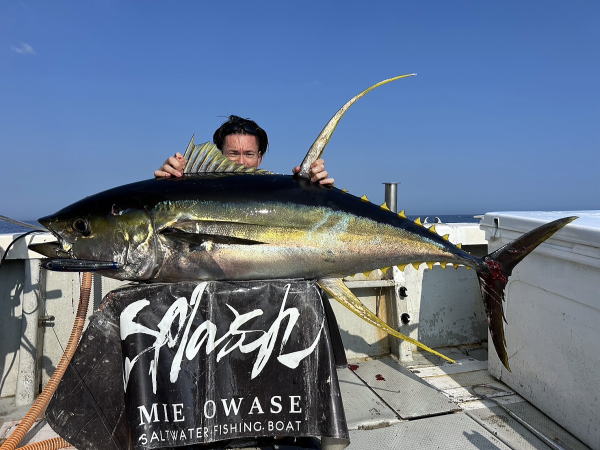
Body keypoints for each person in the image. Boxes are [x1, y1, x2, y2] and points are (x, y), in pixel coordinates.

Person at [154, 115, 334, 185]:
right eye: (233, 153)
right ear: (218, 155)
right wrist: (167, 183)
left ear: (259, 158)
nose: (241, 162)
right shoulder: (196, 188)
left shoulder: (275, 194)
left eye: (249, 154)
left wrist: (315, 190)